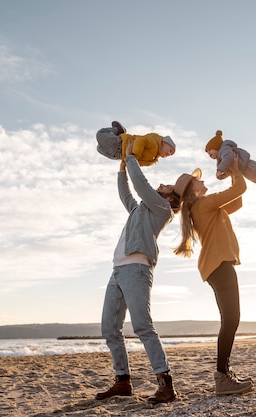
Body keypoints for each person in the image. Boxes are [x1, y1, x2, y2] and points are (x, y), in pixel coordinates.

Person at [95, 140, 181, 404]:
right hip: (118, 270)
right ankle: (122, 381)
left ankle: (165, 384)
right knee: (110, 328)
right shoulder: (139, 209)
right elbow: (126, 195)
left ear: (170, 198)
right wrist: (122, 168)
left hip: (137, 270)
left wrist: (131, 157)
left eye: (166, 187)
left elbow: (141, 185)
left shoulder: (162, 209)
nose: (162, 185)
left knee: (143, 326)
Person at [172, 154, 254, 396]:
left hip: (215, 267)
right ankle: (222, 376)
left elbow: (237, 201)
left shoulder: (204, 207)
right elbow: (240, 188)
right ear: (191, 189)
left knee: (229, 321)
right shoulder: (204, 204)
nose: (202, 180)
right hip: (219, 265)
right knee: (231, 320)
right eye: (197, 180)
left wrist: (231, 175)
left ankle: (224, 374)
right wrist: (235, 170)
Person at [96, 121, 176, 166]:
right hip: (121, 144)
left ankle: (112, 136)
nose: (169, 153)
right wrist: (135, 155)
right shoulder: (153, 142)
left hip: (119, 155)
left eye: (170, 154)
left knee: (99, 148)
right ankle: (118, 130)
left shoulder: (152, 160)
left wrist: (126, 163)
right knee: (100, 134)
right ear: (164, 143)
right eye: (170, 150)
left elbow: (138, 164)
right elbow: (140, 140)